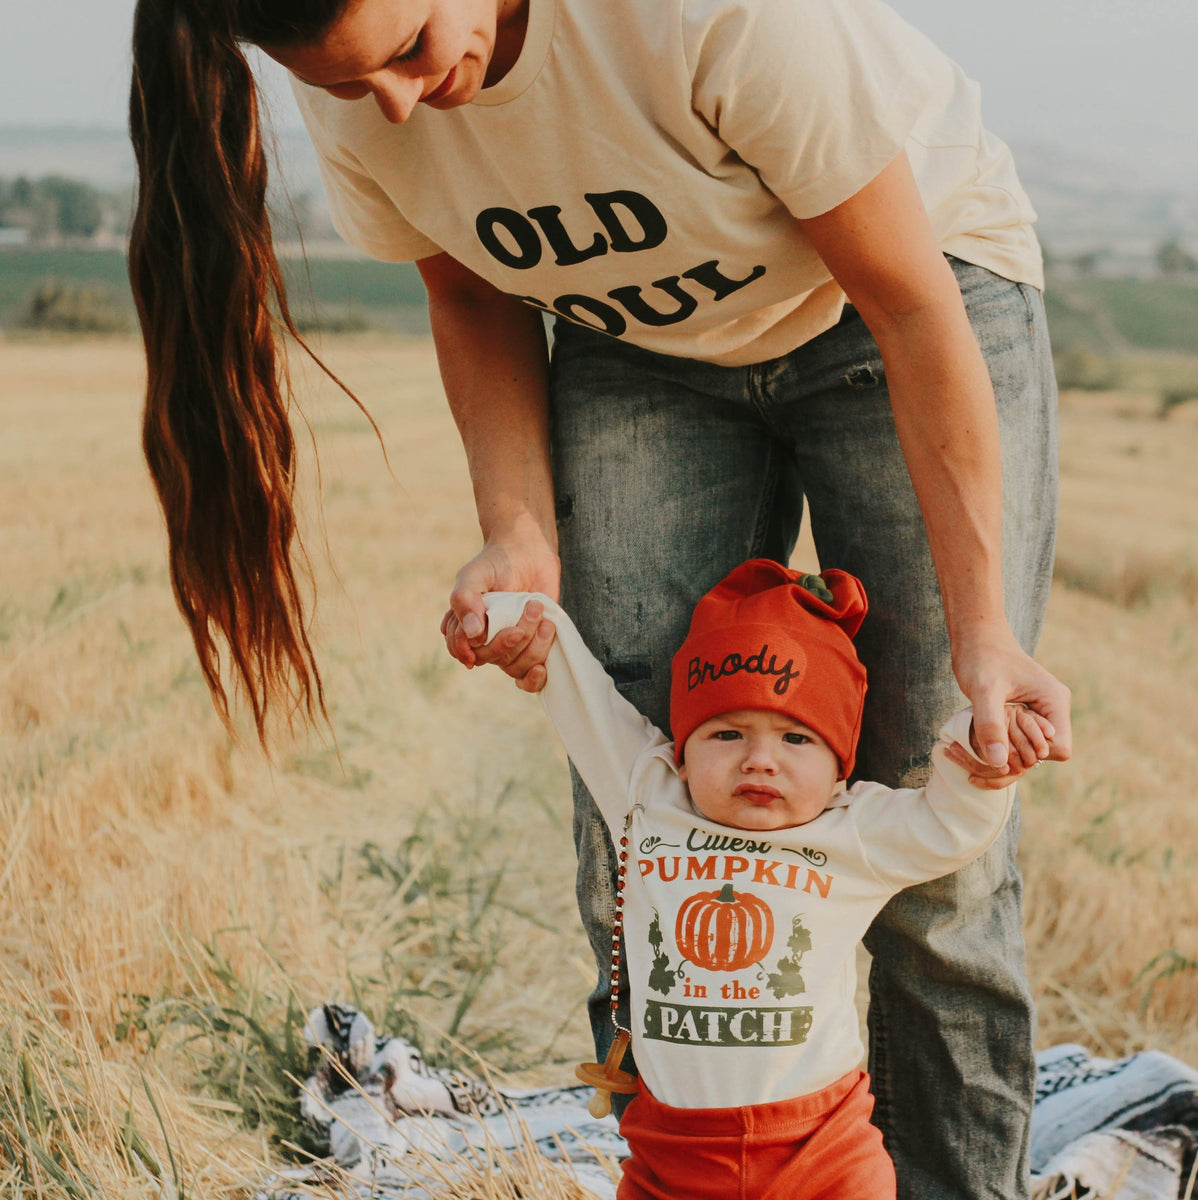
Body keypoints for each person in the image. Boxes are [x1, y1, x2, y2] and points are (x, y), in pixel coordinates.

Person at [127, 0, 1072, 1194]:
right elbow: (470, 291)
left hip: (894, 304)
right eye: (359, 85)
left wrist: (985, 634)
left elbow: (908, 300)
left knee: (937, 861)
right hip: (640, 346)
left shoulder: (700, 18)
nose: (405, 107)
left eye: (413, 51)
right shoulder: (361, 78)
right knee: (638, 844)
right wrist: (516, 538)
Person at [477, 561, 1055, 1200]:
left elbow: (952, 823)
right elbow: (581, 694)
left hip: (822, 1151)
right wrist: (513, 616)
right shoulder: (647, 795)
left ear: (839, 764)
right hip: (674, 1153)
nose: (759, 758)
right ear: (681, 752)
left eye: (796, 738)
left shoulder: (852, 830)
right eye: (726, 733)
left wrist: (978, 750)